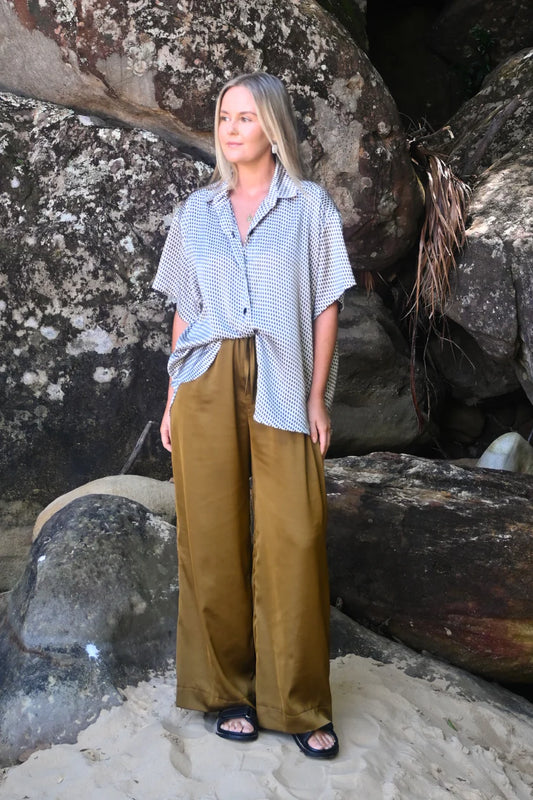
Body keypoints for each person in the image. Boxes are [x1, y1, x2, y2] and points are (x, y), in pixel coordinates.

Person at [153, 71, 355, 759]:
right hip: (206, 374)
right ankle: (226, 692)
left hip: (281, 376)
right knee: (209, 533)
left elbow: (326, 303)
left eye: (243, 117)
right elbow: (184, 307)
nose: (229, 128)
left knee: (293, 536)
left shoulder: (309, 208)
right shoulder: (197, 211)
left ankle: (296, 704)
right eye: (223, 118)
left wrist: (315, 395)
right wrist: (173, 396)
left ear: (272, 127)